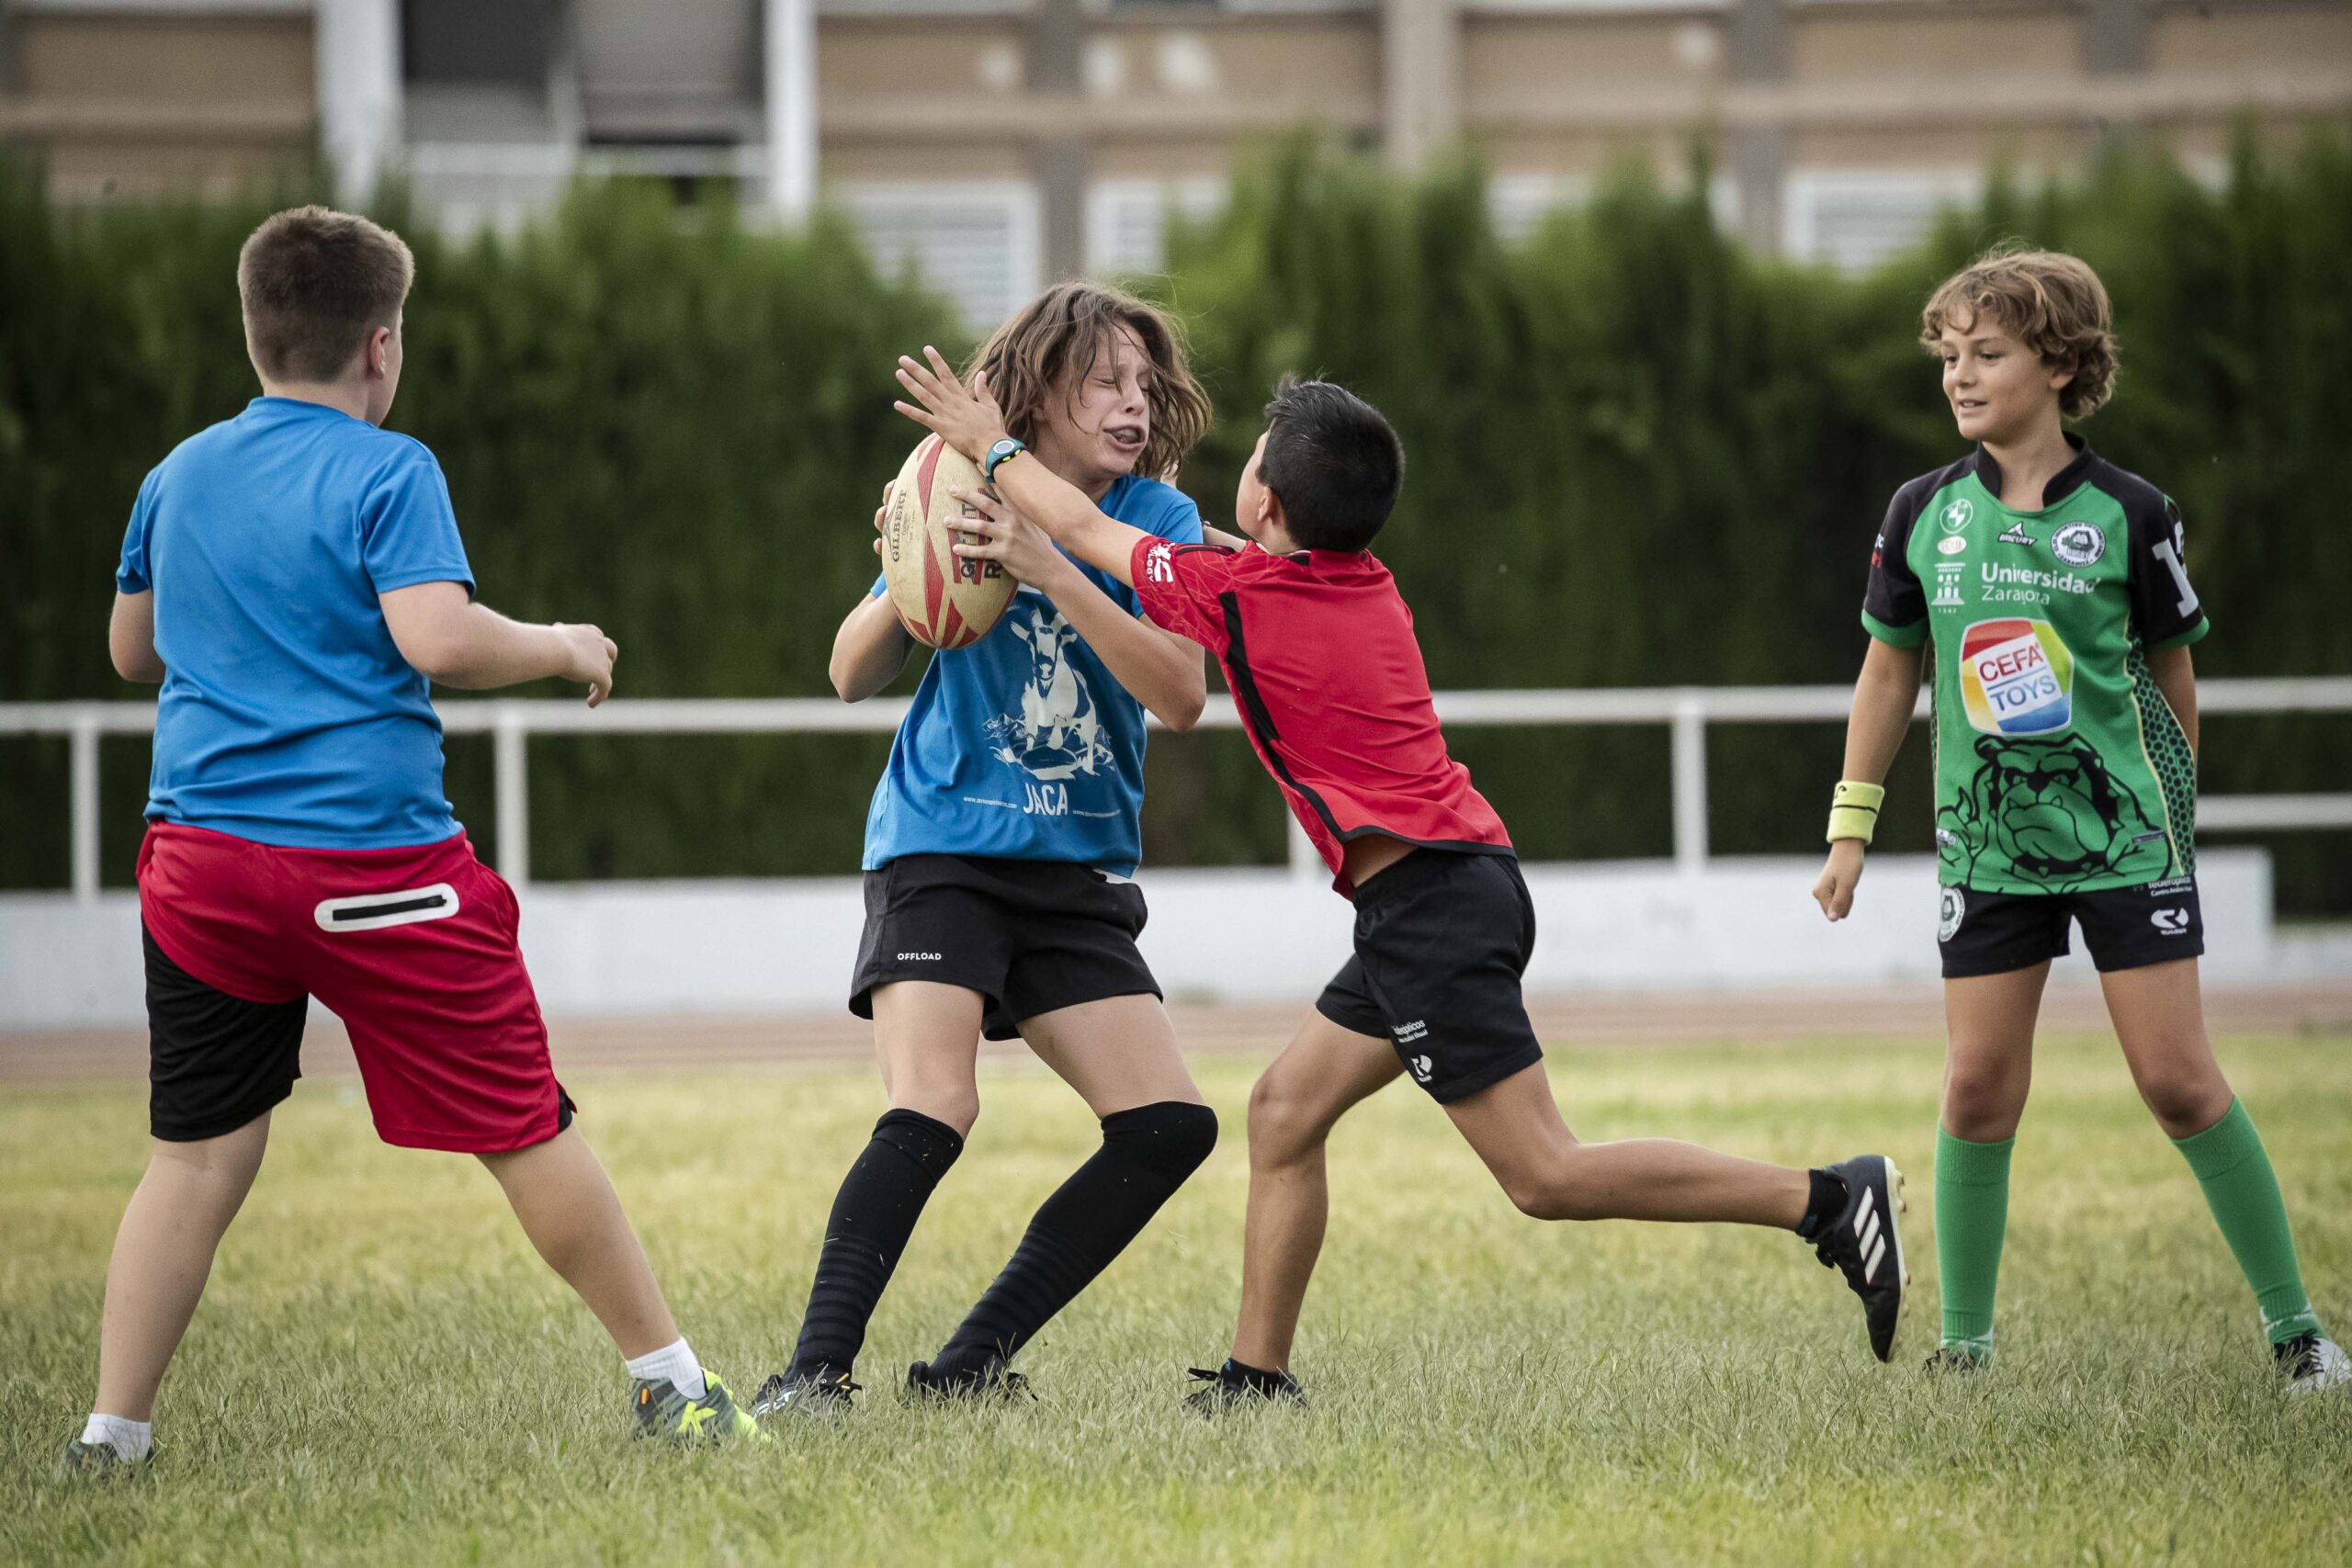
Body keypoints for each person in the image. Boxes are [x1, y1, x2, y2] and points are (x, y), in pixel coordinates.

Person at [898, 354, 1909, 1407]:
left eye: (1248, 461)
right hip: (1432, 897)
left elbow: (1091, 533)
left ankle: (1826, 1200)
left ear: (1271, 501)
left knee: (1544, 1175)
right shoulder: (1352, 580)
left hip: (1432, 908)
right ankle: (1256, 1378)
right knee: (1284, 1112)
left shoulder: (1247, 598)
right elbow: (1186, 547)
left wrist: (991, 443)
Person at [59, 207, 762, 1478]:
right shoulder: (390, 469)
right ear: (379, 346)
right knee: (525, 1124)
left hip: (202, 866)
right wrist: (560, 642)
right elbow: (435, 636)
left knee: (197, 1151)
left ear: (254, 328)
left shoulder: (177, 472)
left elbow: (130, 650)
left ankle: (112, 1434)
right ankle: (674, 1387)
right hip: (370, 871)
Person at [1812, 246, 2345, 1390]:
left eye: (1986, 354)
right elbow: (1886, 678)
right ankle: (1965, 1354)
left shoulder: (2131, 512)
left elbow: (2171, 676)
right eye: (1948, 357)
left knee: (2178, 1082)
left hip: (2125, 844)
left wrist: (2175, 817)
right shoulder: (1919, 513)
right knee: (1973, 1090)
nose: (1959, 376)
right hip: (1986, 849)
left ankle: (2299, 1336)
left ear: (2059, 365)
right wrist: (1850, 827)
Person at [752, 284, 1219, 1415]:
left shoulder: (1160, 520)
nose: (1133, 402)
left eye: (1143, 383)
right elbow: (849, 670)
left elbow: (1180, 695)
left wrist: (1052, 563)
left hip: (1076, 867)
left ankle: (964, 1368)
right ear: (1043, 396)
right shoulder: (957, 491)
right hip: (943, 846)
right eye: (1105, 380)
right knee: (934, 1104)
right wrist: (906, 567)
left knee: (1167, 1128)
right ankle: (814, 1376)